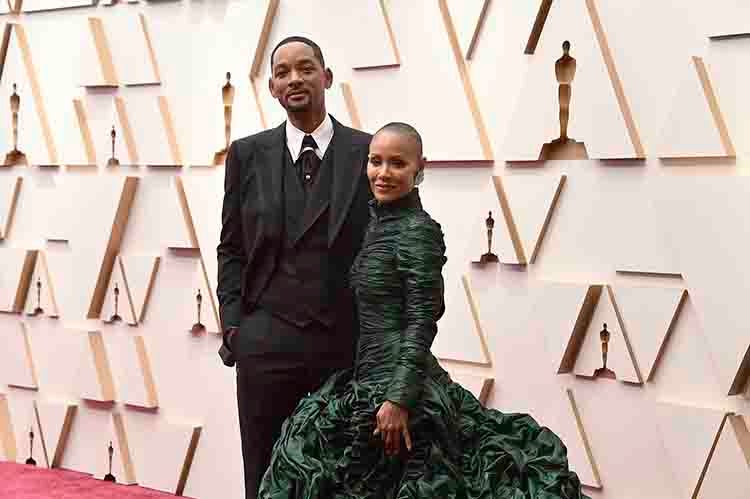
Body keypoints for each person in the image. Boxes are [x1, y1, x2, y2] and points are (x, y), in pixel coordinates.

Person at [257, 123, 590, 499]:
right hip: (364, 381)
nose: (383, 173)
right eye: (375, 162)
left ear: (420, 169)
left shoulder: (418, 231)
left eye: (397, 164)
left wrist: (398, 399)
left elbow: (422, 321)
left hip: (398, 395)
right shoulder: (378, 225)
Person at [216, 36, 372, 499]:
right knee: (264, 473)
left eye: (305, 69)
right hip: (266, 340)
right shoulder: (247, 153)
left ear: (326, 77)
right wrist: (234, 326)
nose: (294, 79)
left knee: (343, 475)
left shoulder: (367, 152)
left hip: (342, 342)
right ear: (270, 88)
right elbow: (231, 246)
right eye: (283, 72)